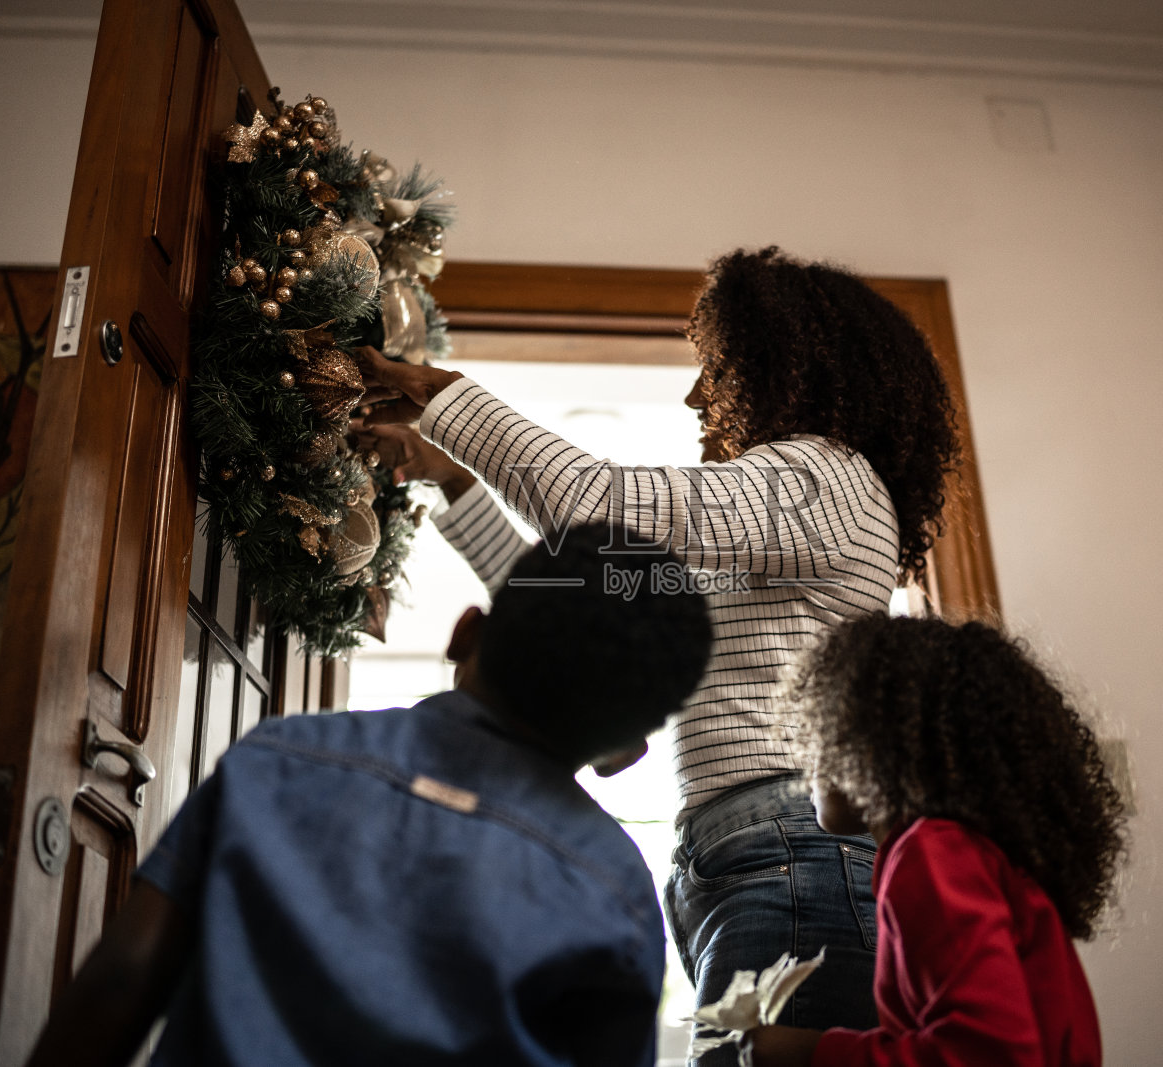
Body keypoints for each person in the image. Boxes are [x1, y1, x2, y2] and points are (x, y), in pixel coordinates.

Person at [354, 246, 960, 1054]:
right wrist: (451, 476)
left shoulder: (827, 479)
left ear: (781, 369)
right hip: (750, 859)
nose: (694, 393)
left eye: (715, 367)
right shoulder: (762, 543)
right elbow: (573, 607)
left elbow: (594, 501)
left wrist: (441, 396)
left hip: (789, 858)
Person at [23, 524, 713, 1067]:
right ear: (626, 755)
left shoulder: (277, 760)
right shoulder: (615, 891)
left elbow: (121, 977)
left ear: (465, 631)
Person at [744, 615, 1127, 1067]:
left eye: (825, 727)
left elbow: (991, 1053)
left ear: (877, 741)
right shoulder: (971, 857)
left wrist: (809, 1051)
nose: (808, 753)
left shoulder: (930, 855)